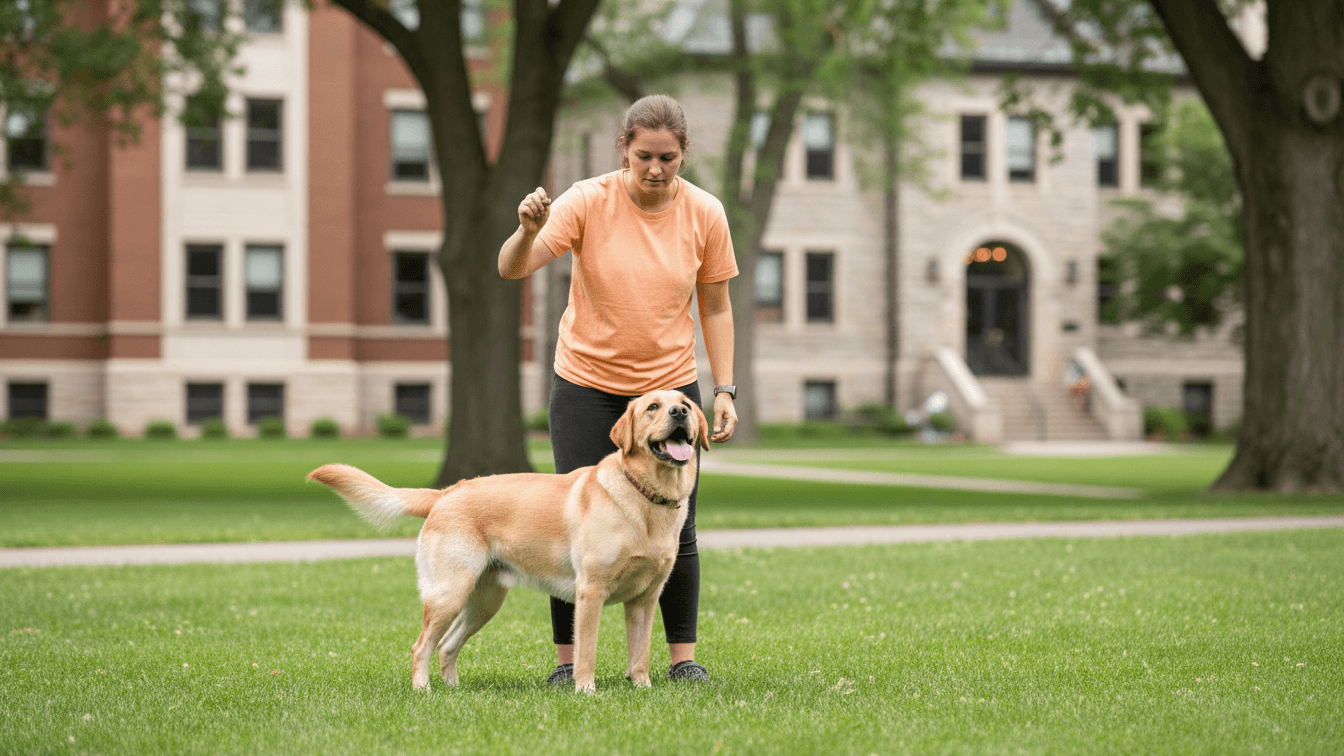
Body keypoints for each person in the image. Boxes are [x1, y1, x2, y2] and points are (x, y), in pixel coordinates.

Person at [498, 94, 738, 685]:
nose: (656, 169)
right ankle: (567, 666)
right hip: (587, 382)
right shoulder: (587, 200)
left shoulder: (705, 212)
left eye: (668, 157)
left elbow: (716, 305)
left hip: (668, 388)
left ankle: (683, 662)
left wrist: (724, 389)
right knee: (573, 525)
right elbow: (511, 269)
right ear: (623, 150)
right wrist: (526, 232)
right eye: (644, 156)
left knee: (677, 528)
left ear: (684, 154)